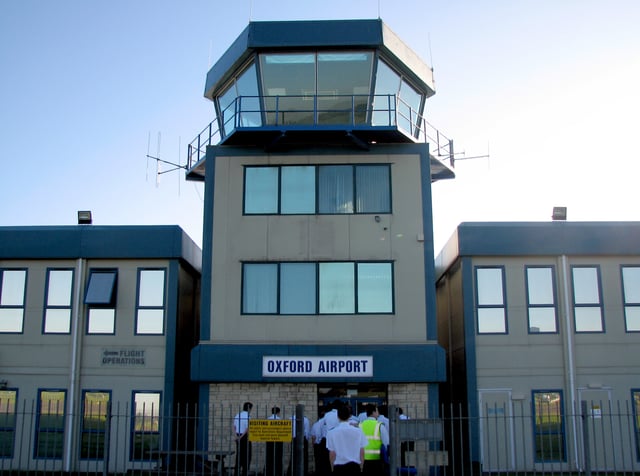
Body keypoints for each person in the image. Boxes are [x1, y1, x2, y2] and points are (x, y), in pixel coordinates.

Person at [326, 405, 368, 476]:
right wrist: (361, 466)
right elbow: (362, 451)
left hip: (339, 467)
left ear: (338, 417)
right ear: (349, 416)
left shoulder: (331, 433)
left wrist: (332, 468)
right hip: (354, 466)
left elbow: (332, 453)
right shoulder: (359, 431)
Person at [360, 404, 389, 476]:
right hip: (377, 460)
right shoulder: (379, 426)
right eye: (377, 411)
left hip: (363, 459)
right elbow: (386, 443)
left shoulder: (360, 425)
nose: (378, 413)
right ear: (373, 412)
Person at [233, 402, 253, 476]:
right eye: (251, 409)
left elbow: (234, 427)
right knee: (247, 456)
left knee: (239, 455)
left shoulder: (237, 415)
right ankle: (244, 472)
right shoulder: (248, 416)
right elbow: (247, 429)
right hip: (245, 437)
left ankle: (236, 473)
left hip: (238, 435)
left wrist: (236, 436)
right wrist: (241, 437)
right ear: (249, 408)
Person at [266, 406, 283, 476]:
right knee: (278, 457)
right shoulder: (280, 420)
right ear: (278, 412)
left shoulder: (268, 419)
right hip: (278, 440)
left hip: (269, 440)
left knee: (269, 457)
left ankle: (269, 472)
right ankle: (277, 472)